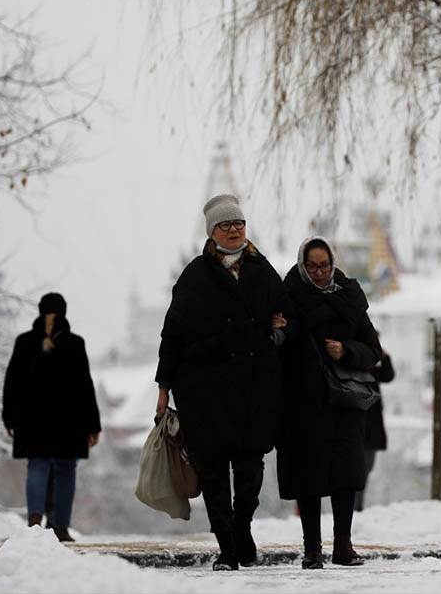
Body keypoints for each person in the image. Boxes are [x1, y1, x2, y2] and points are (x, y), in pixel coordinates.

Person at [155, 194, 295, 571]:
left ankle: (241, 526)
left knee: (250, 469)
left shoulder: (263, 271)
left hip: (254, 387)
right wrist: (164, 386)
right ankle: (227, 547)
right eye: (225, 225)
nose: (234, 230)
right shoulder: (195, 276)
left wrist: (279, 333)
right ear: (212, 231)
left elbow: (290, 318)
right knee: (213, 469)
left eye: (239, 223)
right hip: (205, 389)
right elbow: (173, 334)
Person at [277, 236, 382, 569]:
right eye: (312, 266)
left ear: (333, 264)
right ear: (302, 266)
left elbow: (373, 350)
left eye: (324, 265)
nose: (319, 273)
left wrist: (346, 350)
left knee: (345, 475)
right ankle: (312, 549)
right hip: (303, 401)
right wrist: (280, 332)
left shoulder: (349, 297)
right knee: (307, 476)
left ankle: (343, 545)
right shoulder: (288, 297)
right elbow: (280, 347)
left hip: (343, 402)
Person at [2, 292, 101, 542]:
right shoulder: (75, 344)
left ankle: (34, 522)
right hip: (70, 421)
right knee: (66, 470)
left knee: (37, 466)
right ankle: (60, 527)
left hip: (31, 420)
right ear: (64, 312)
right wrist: (93, 425)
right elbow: (85, 386)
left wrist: (9, 417)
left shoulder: (24, 342)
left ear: (40, 311)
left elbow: (12, 382)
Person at [356, 345, 395, 512]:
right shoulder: (355, 367)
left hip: (371, 429)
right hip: (357, 427)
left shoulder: (372, 371)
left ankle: (357, 505)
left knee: (366, 468)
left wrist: (384, 357)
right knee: (359, 470)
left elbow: (388, 375)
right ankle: (355, 506)